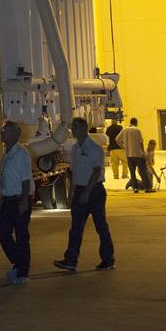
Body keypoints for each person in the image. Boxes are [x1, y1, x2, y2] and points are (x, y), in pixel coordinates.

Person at [54, 117, 115, 273]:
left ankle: (107, 259)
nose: (72, 130)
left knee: (101, 227)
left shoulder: (95, 148)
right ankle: (71, 260)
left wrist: (87, 192)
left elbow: (96, 172)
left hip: (94, 191)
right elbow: (75, 172)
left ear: (83, 128)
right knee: (76, 228)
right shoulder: (75, 149)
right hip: (81, 190)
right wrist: (73, 192)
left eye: (75, 127)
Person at [0, 120, 34, 285]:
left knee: (21, 236)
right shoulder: (7, 152)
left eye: (4, 131)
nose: (1, 133)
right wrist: (2, 197)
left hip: (20, 199)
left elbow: (26, 179)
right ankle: (18, 263)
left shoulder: (21, 153)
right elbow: (6, 178)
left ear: (14, 134)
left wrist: (24, 200)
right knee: (3, 232)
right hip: (8, 199)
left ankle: (23, 272)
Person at [119, 117, 151, 192]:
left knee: (132, 173)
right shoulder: (137, 130)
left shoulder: (124, 130)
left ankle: (135, 188)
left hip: (129, 155)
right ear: (136, 123)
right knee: (143, 172)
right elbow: (141, 142)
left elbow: (117, 140)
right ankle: (147, 188)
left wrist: (124, 147)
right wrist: (143, 153)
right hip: (138, 155)